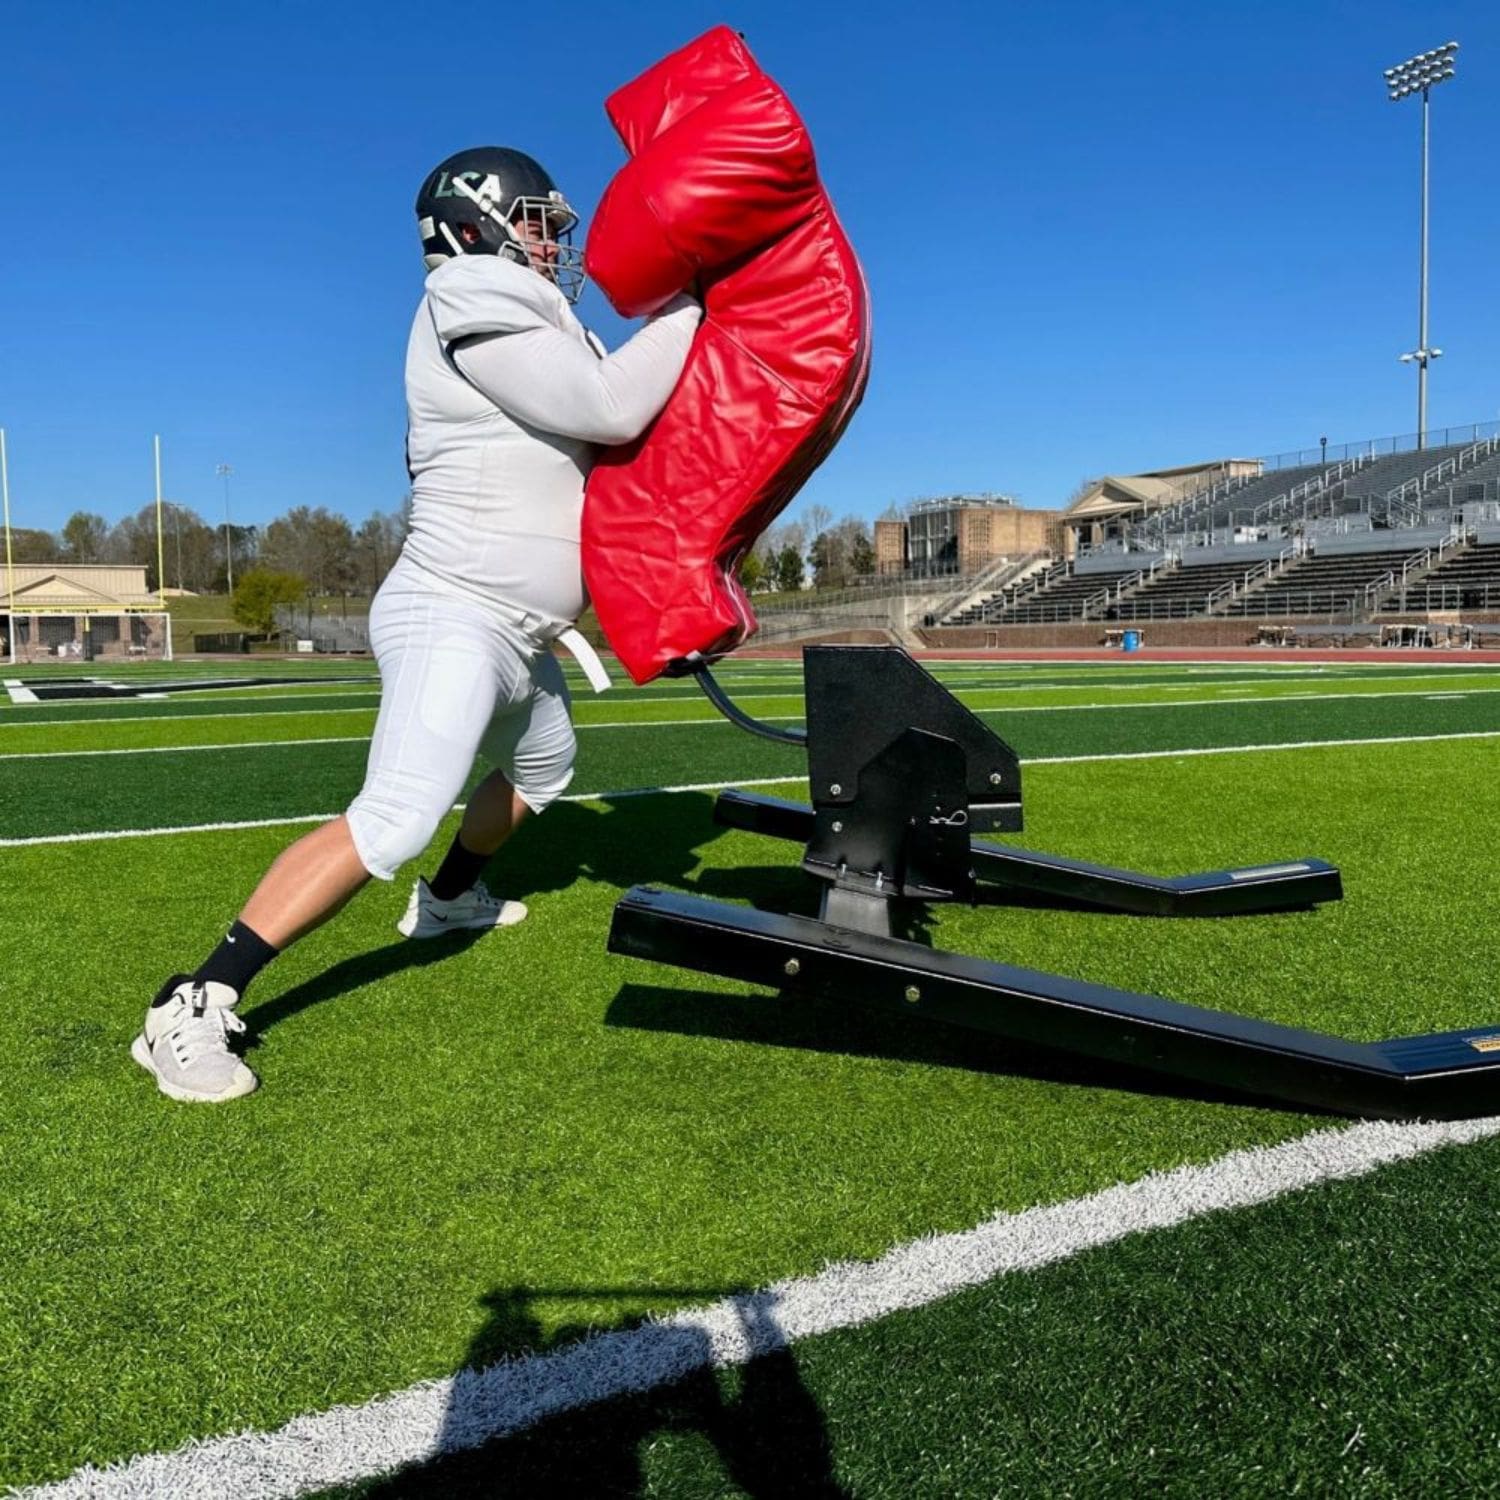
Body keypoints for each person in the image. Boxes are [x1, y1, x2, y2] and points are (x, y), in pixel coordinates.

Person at [134, 146, 702, 1103]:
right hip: (456, 610)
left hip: (519, 630)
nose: (552, 241)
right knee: (394, 815)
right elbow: (609, 408)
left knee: (545, 769)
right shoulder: (467, 292)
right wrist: (696, 303)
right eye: (535, 220)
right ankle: (193, 1000)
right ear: (475, 221)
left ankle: (445, 902)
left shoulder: (529, 308)